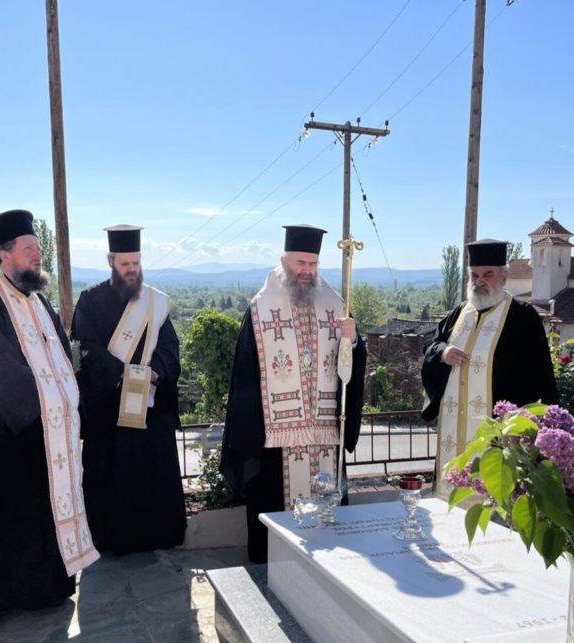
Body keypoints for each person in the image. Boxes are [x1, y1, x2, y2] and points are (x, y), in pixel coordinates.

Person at [0, 209, 99, 632]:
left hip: (48, 435)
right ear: (4, 255)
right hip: (7, 436)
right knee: (2, 515)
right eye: (29, 251)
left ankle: (46, 588)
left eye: (39, 250)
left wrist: (72, 406)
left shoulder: (41, 304)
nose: (38, 257)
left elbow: (61, 365)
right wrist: (42, 409)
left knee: (43, 512)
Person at [221, 224, 367, 563]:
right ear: (284, 261)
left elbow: (351, 365)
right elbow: (244, 375)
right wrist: (250, 435)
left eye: (313, 265)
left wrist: (354, 340)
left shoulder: (335, 304)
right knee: (274, 511)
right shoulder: (260, 310)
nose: (306, 271)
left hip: (324, 431)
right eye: (300, 263)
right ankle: (275, 565)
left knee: (329, 514)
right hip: (274, 440)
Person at [71, 225, 185, 553]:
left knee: (152, 472)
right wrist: (124, 374)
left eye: (135, 263)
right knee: (109, 473)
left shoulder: (155, 302)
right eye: (125, 264)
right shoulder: (90, 301)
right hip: (109, 406)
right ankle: (111, 540)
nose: (132, 269)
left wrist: (156, 373)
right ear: (111, 262)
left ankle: (157, 535)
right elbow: (85, 349)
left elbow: (170, 347)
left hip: (151, 404)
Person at [421, 238, 558, 498]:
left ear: (504, 277)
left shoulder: (523, 316)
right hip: (454, 428)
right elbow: (432, 345)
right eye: (474, 275)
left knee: (493, 502)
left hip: (499, 431)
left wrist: (548, 427)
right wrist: (443, 352)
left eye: (488, 274)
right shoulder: (460, 312)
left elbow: (543, 374)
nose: (479, 281)